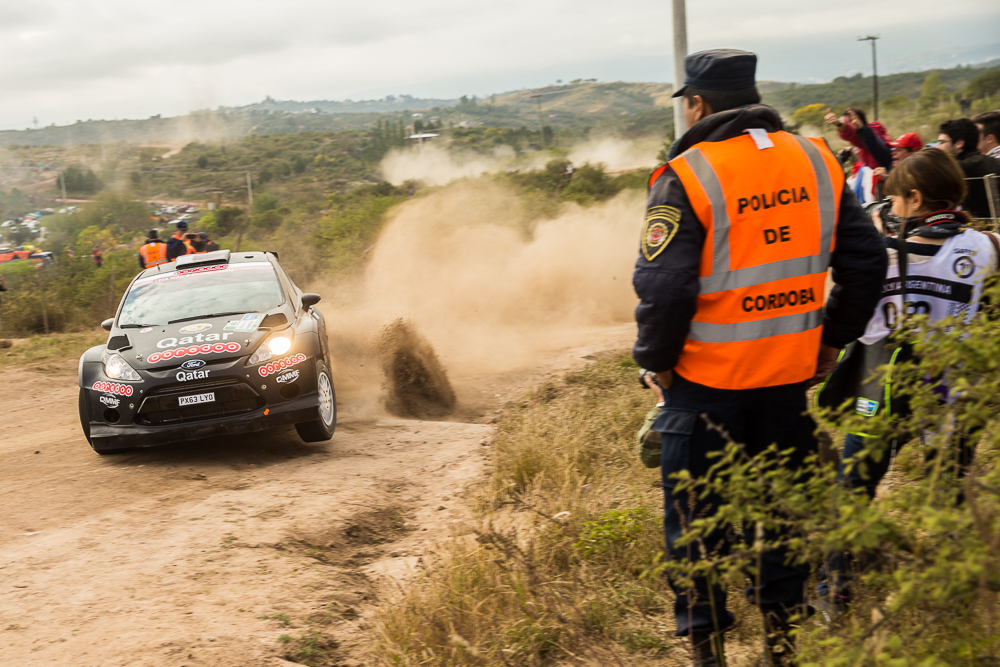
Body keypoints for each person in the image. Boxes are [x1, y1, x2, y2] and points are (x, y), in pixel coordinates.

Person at [633, 48, 886, 666]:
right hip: (787, 384)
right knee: (782, 519)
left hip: (703, 389)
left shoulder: (687, 174)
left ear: (697, 104)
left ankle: (709, 652)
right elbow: (867, 260)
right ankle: (781, 647)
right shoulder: (817, 160)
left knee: (696, 526)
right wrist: (831, 341)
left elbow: (665, 287)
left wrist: (657, 361)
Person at [816, 148, 1000, 612]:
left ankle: (834, 593)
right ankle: (959, 589)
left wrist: (875, 235)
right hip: (951, 388)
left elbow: (848, 306)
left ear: (915, 199)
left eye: (896, 199)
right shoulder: (985, 247)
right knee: (950, 488)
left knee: (854, 488)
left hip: (881, 385)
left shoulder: (878, 253)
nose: (891, 206)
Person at [937, 118, 1000, 219]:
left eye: (942, 142)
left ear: (959, 143)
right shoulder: (991, 161)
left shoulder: (961, 167)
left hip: (981, 225)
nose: (938, 147)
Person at [824, 106, 893, 170]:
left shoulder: (872, 133)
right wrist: (851, 150)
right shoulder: (866, 136)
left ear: (859, 121)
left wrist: (839, 124)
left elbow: (858, 136)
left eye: (847, 123)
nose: (845, 125)